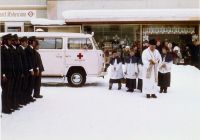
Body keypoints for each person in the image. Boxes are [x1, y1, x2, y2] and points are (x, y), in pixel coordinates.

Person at [1, 34, 14, 114]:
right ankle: (5, 109)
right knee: (5, 92)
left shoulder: (8, 49)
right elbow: (2, 63)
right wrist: (3, 74)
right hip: (5, 75)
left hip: (10, 73)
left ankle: (8, 107)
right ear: (5, 40)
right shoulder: (2, 50)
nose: (10, 41)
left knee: (9, 91)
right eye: (9, 40)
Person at [10, 34, 23, 110]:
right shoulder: (12, 49)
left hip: (18, 72)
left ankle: (16, 103)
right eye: (17, 40)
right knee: (14, 90)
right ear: (13, 41)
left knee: (17, 89)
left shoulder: (16, 48)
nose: (18, 41)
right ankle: (13, 104)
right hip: (15, 73)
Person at [25, 36, 37, 103]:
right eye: (34, 41)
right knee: (29, 84)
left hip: (33, 69)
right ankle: (28, 97)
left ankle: (29, 96)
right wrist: (31, 69)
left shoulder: (32, 49)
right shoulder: (28, 49)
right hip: (30, 70)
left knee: (31, 84)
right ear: (31, 42)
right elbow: (29, 60)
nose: (35, 43)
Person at [19, 37, 30, 104]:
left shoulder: (23, 49)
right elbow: (20, 63)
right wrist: (22, 72)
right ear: (22, 42)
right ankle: (21, 100)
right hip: (22, 72)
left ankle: (24, 99)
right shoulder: (19, 50)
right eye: (26, 42)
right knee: (22, 87)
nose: (27, 44)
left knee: (25, 86)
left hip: (25, 71)